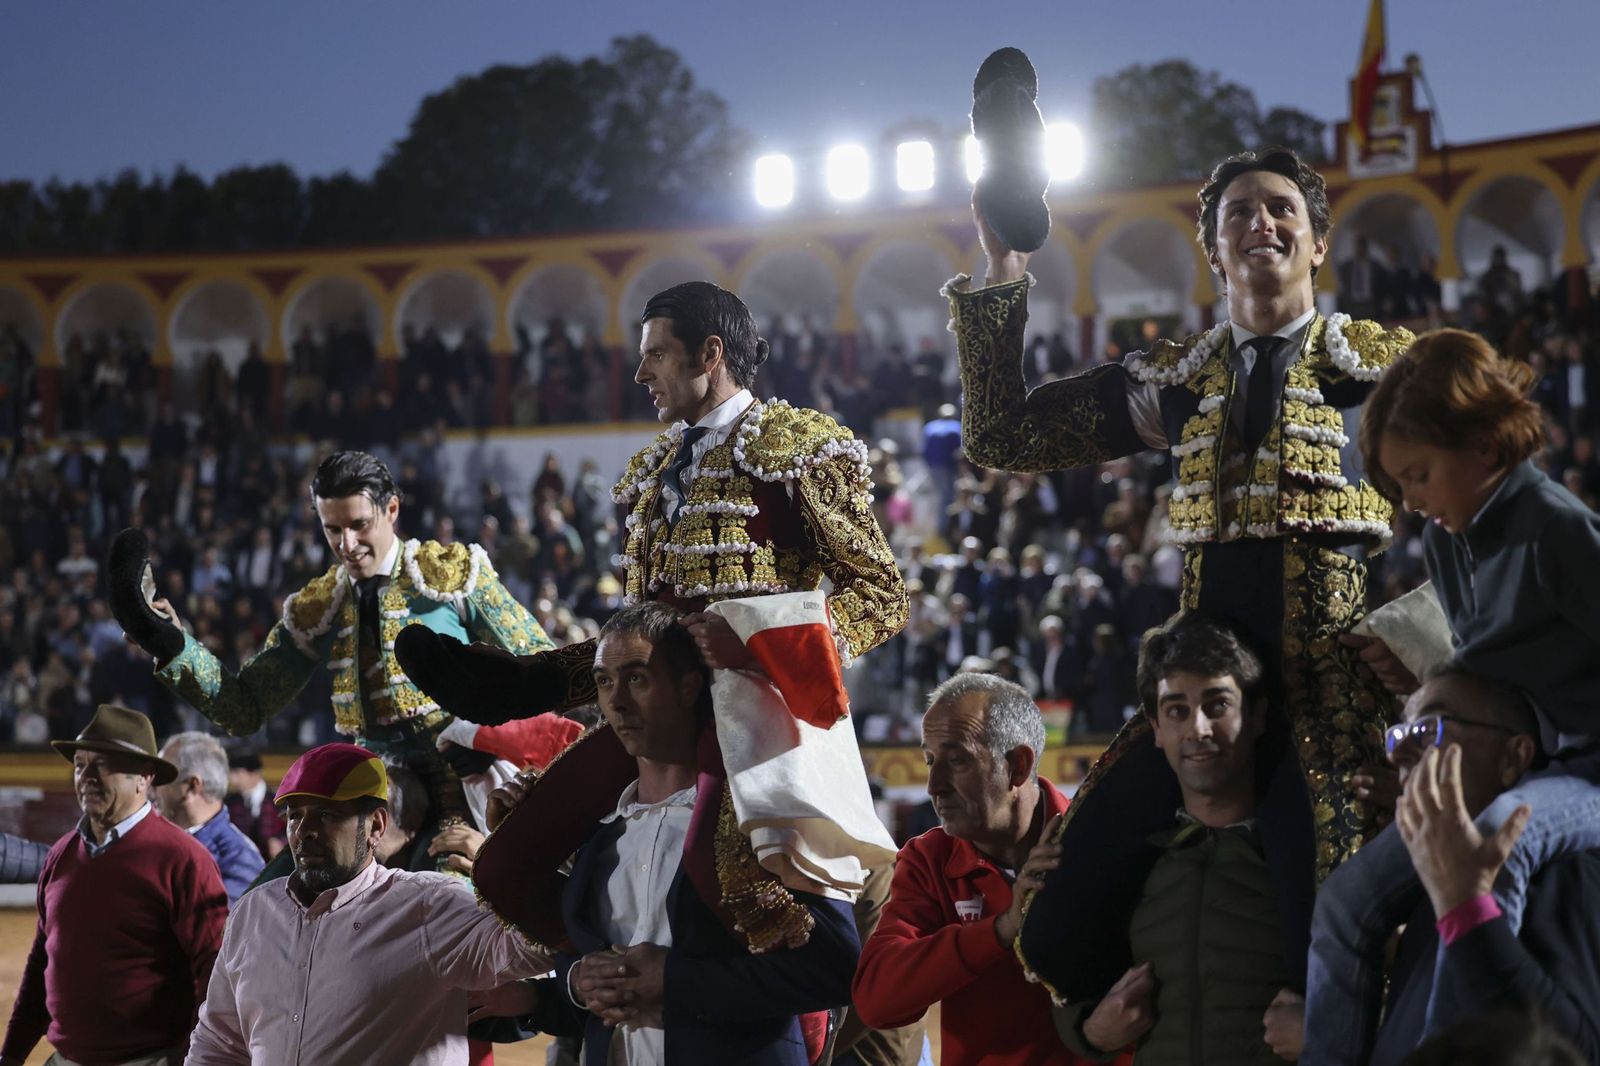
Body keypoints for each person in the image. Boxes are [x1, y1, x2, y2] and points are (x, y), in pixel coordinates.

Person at [948, 146, 1415, 891]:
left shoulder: (1388, 372)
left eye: (1281, 208)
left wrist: (1422, 630)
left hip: (1329, 699)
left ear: (1320, 243)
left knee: (1327, 911)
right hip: (1190, 701)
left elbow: (1492, 493)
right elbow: (1002, 437)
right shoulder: (1175, 380)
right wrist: (1004, 270)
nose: (1261, 223)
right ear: (1215, 252)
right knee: (1061, 908)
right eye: (1240, 213)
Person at [393, 281, 906, 726]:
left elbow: (882, 595)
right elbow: (651, 632)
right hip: (662, 730)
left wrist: (761, 646)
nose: (640, 373)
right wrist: (536, 681)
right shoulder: (654, 469)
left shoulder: (797, 449)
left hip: (760, 726)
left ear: (709, 354)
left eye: (656, 354)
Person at [1306, 328, 1600, 1064]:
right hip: (1524, 763)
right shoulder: (1446, 538)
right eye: (1398, 484)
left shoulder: (1561, 531)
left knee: (1491, 848)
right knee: (1344, 903)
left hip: (1588, 774)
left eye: (1419, 475)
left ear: (1484, 444)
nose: (1409, 501)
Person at [465, 601, 862, 1065]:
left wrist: (676, 983)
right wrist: (571, 986)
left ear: (689, 687)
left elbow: (836, 968)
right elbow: (603, 982)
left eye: (637, 678)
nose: (616, 702)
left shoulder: (760, 816)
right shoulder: (600, 836)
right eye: (604, 682)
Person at [109, 449, 553, 856]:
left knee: (459, 890)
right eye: (332, 529)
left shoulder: (452, 574)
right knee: (281, 891)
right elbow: (243, 707)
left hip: (461, 783)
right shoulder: (319, 604)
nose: (347, 545)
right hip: (371, 787)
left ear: (391, 510)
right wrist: (173, 644)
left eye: (359, 525)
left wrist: (488, 733)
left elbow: (546, 672)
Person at [1042, 614, 1307, 1064]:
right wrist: (1090, 1030)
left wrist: (1329, 1034)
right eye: (1177, 711)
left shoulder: (1311, 859)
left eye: (1217, 705)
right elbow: (1071, 969)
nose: (1197, 729)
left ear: (1257, 715)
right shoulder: (1128, 861)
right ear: (1157, 729)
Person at [185, 743, 554, 1066]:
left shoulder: (429, 906)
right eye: (295, 815)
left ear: (376, 826)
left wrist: (517, 847)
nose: (304, 831)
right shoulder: (253, 913)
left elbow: (537, 948)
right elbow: (219, 1041)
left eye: (327, 815)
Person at [1367, 666, 1600, 1063]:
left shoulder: (1563, 872)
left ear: (1512, 757)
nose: (1397, 753)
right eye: (1399, 732)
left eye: (1427, 728)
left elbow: (1574, 1052)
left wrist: (1464, 905)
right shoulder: (1436, 878)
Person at [852, 673, 1085, 1066]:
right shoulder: (929, 859)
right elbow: (876, 1002)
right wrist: (999, 931)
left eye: (957, 760)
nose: (934, 786)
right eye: (930, 760)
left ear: (1018, 766)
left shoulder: (1095, 841)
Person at [1, 704, 228, 1066]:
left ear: (144, 777)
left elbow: (215, 974)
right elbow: (41, 963)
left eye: (104, 765)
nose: (86, 777)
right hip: (66, 1059)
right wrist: (12, 1054)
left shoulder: (184, 859)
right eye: (80, 765)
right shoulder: (61, 855)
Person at [154, 731, 264, 902]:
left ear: (192, 786)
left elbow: (224, 919)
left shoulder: (238, 859)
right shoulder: (159, 838)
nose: (153, 787)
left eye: (161, 778)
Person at [224, 747, 285, 859]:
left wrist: (281, 842)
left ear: (255, 774)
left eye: (237, 773)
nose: (233, 780)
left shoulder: (278, 801)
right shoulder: (230, 803)